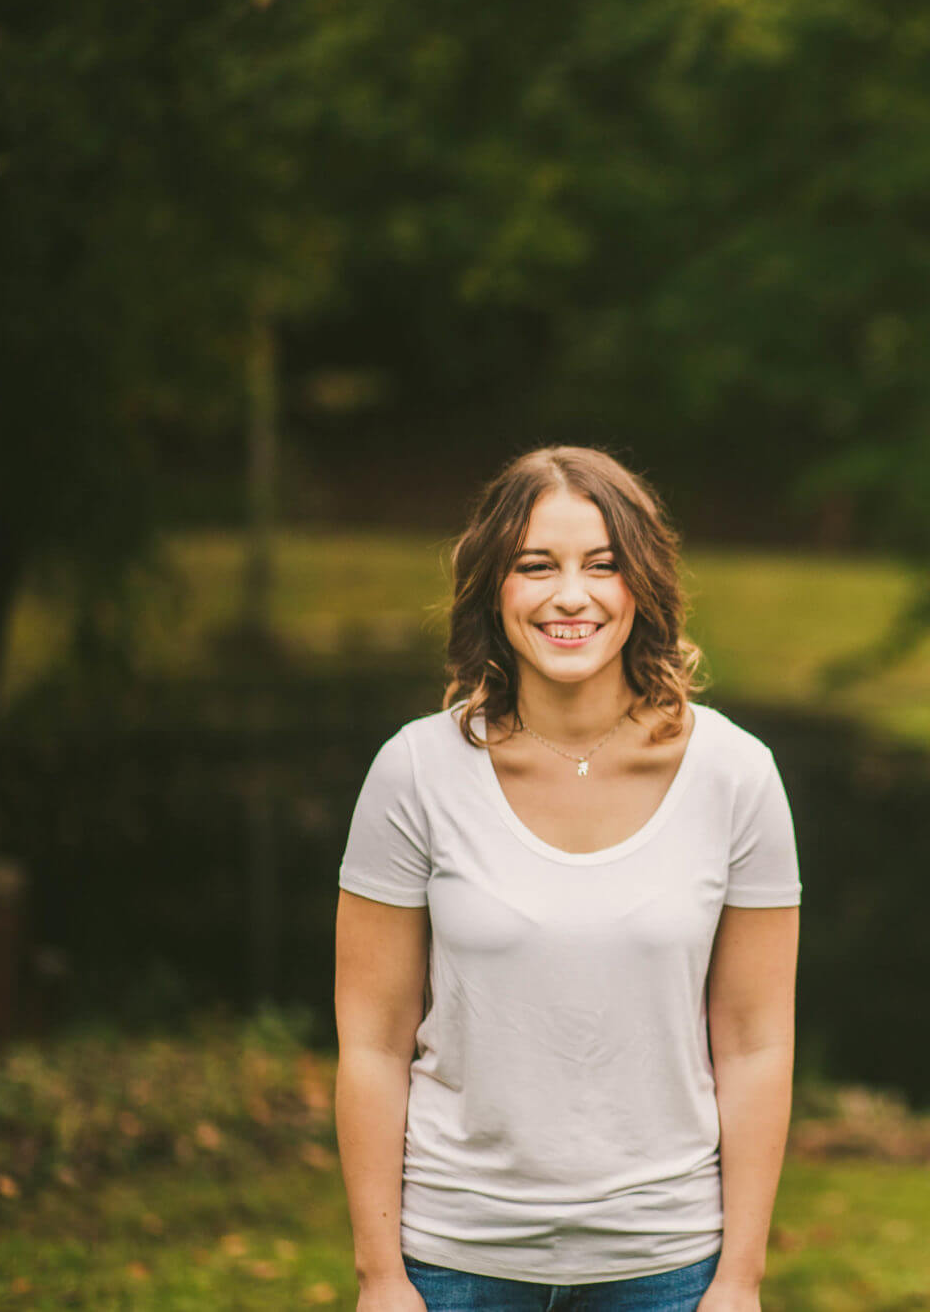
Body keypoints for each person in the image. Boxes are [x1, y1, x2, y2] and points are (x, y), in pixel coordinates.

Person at [335, 446, 801, 1312]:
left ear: (643, 588)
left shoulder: (738, 776)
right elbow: (371, 1040)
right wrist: (380, 1275)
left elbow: (755, 1043)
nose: (571, 596)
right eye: (535, 565)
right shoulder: (414, 773)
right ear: (493, 589)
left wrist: (740, 1277)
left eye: (603, 564)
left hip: (668, 1267)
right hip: (454, 1263)